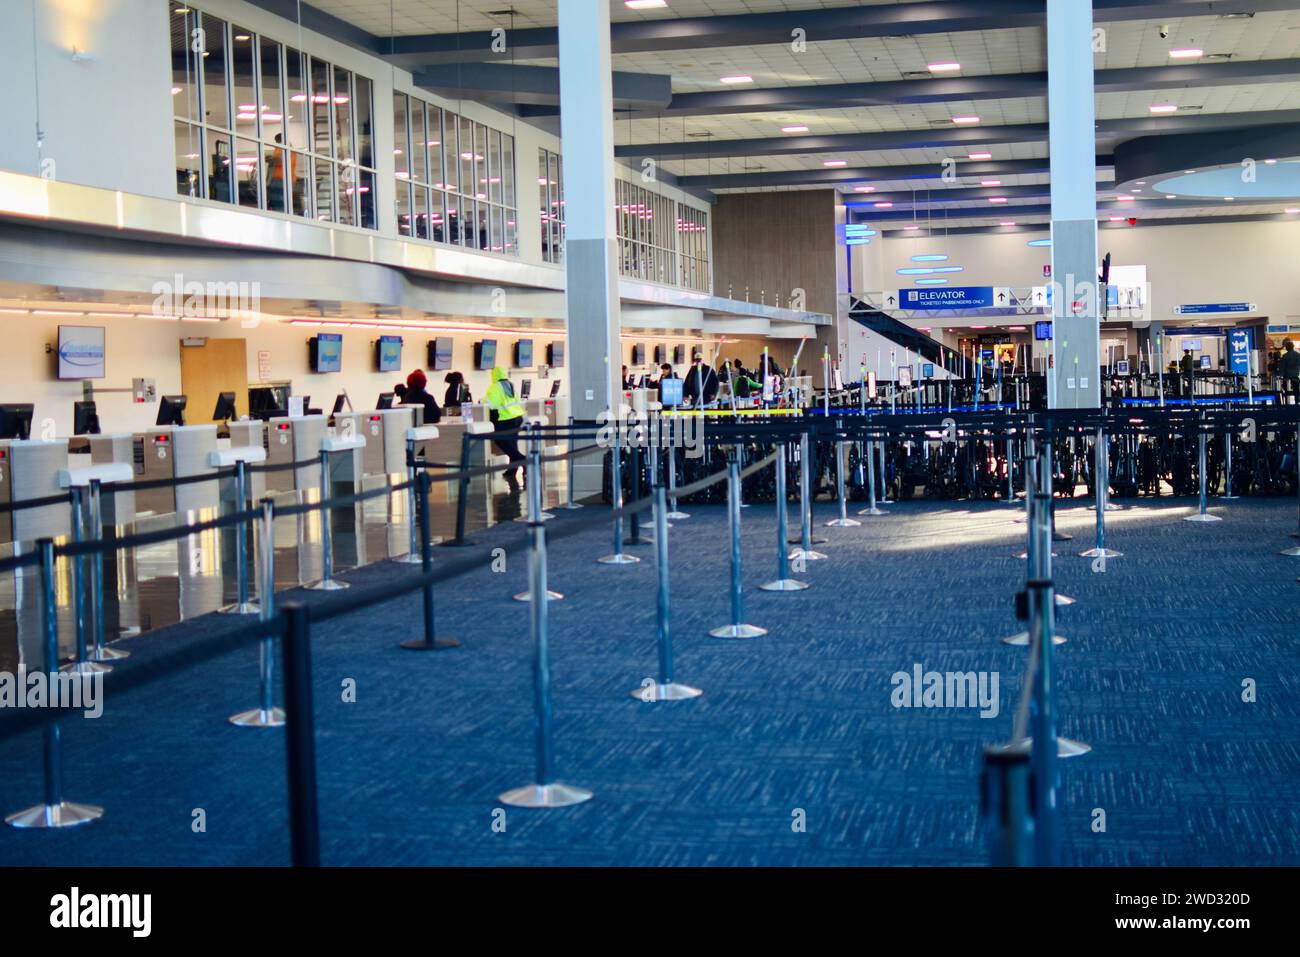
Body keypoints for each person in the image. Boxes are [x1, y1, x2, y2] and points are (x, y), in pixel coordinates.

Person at [485, 365, 527, 484]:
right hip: (517, 417)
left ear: (494, 375)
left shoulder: (495, 387)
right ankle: (512, 469)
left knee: (500, 440)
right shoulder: (510, 384)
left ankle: (523, 461)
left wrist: (481, 401)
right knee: (512, 444)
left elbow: (490, 404)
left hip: (505, 418)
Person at [1279, 339, 1300, 403]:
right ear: (1293, 347)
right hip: (1295, 375)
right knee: (1296, 389)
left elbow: (1282, 366)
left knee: (1286, 389)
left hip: (1287, 375)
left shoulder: (1285, 356)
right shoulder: (1298, 354)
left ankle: (1286, 402)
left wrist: (1281, 375)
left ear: (1287, 348)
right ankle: (1297, 401)